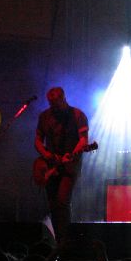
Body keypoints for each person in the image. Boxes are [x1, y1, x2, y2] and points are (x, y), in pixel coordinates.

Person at [34, 86, 89, 246]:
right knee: (52, 204)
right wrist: (47, 155)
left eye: (57, 104)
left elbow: (83, 140)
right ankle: (59, 241)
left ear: (64, 99)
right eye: (51, 104)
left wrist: (72, 154)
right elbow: (38, 141)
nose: (54, 108)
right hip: (51, 164)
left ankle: (66, 241)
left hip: (70, 165)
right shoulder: (44, 116)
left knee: (62, 201)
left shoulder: (78, 115)